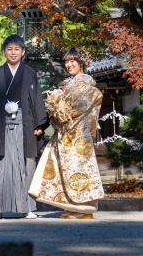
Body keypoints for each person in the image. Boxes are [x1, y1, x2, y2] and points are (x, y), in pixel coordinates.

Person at [0, 34, 48, 220]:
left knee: (26, 165)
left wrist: (39, 123)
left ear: (23, 51)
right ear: (4, 52)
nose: (13, 53)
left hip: (25, 124)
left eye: (17, 49)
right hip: (0, 125)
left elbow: (36, 99)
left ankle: (27, 208)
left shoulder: (29, 73)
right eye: (9, 49)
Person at [29, 47, 104, 219]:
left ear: (81, 62)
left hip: (76, 135)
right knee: (71, 170)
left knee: (77, 171)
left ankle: (82, 208)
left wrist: (58, 107)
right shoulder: (73, 83)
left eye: (72, 61)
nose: (69, 65)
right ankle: (74, 207)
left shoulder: (83, 84)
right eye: (66, 62)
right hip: (71, 134)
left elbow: (75, 108)